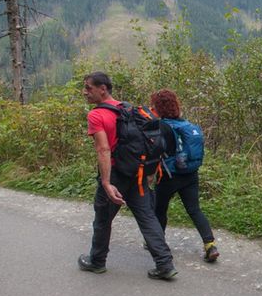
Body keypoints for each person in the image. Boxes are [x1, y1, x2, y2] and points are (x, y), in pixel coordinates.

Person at [78, 71, 178, 280]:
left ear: (102, 89)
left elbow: (103, 150)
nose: (84, 92)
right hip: (138, 172)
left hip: (116, 174)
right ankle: (165, 264)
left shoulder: (96, 115)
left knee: (103, 219)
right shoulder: (128, 109)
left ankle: (97, 261)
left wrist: (106, 182)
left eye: (88, 88)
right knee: (147, 217)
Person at [150, 88, 219, 263]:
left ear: (158, 107)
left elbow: (157, 151)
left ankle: (158, 244)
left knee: (160, 210)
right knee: (194, 210)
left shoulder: (162, 126)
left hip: (169, 176)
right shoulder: (186, 124)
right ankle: (210, 245)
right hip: (190, 174)